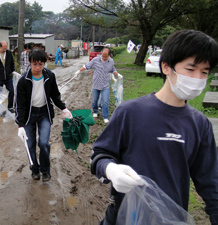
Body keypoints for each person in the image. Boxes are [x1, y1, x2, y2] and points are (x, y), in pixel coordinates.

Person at [90, 30, 218, 225]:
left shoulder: (200, 124)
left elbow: (211, 183)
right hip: (124, 216)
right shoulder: (129, 112)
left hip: (171, 218)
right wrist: (110, 169)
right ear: (166, 67)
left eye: (205, 72)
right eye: (191, 69)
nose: (197, 78)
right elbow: (99, 154)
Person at [15, 48, 72, 182]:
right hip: (29, 115)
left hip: (44, 113)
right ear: (30, 62)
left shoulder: (49, 76)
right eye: (35, 64)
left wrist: (64, 108)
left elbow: (54, 95)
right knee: (30, 145)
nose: (37, 67)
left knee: (44, 143)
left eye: (41, 64)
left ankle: (45, 170)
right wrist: (20, 125)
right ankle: (35, 169)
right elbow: (20, 105)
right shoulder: (23, 80)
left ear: (44, 63)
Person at [74, 47, 121, 123]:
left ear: (109, 55)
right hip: (96, 84)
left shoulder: (111, 61)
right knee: (94, 101)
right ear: (101, 54)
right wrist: (79, 71)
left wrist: (117, 74)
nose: (104, 58)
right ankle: (95, 111)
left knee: (105, 101)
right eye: (103, 56)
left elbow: (113, 70)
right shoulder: (96, 60)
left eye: (106, 57)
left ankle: (105, 116)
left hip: (105, 85)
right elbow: (87, 66)